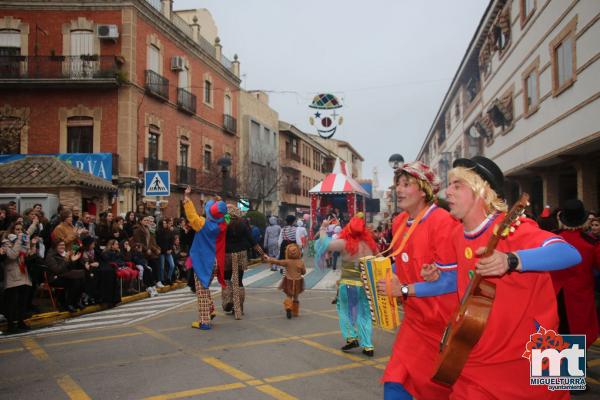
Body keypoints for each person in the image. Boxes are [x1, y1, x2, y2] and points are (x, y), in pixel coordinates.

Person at [414, 156, 581, 399]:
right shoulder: (457, 236)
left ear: (481, 191)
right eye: (449, 185)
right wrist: (434, 276)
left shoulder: (514, 227)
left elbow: (570, 253)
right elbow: (459, 282)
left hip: (533, 354)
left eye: (457, 185)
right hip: (477, 355)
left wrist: (512, 260)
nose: (447, 192)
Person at [376, 161, 459, 400]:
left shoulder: (443, 221)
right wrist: (382, 273)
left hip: (441, 325)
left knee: (435, 390)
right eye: (397, 185)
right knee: (394, 382)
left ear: (423, 189)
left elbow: (451, 281)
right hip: (414, 322)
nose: (398, 190)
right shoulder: (399, 222)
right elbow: (402, 262)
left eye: (406, 184)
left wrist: (402, 288)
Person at [315, 212, 378, 357]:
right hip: (365, 286)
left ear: (348, 229)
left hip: (348, 285)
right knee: (365, 314)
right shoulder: (370, 245)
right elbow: (380, 259)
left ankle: (351, 337)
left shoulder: (344, 243)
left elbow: (326, 244)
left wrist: (323, 228)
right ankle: (368, 345)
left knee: (345, 311)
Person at [551, 199, 599, 350]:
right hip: (578, 302)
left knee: (550, 346)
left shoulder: (550, 239)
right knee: (574, 347)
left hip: (552, 297)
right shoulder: (591, 243)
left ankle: (552, 372)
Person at [182, 186, 228, 330]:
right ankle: (211, 309)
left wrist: (187, 197)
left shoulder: (203, 224)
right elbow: (225, 213)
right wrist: (220, 203)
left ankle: (204, 321)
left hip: (204, 261)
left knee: (201, 291)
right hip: (214, 261)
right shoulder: (221, 225)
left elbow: (192, 216)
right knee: (205, 287)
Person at [1, 222, 35, 334]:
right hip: (12, 275)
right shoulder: (6, 242)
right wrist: (19, 241)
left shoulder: (22, 240)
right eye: (16, 229)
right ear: (12, 230)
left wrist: (31, 246)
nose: (19, 231)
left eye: (21, 229)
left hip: (23, 273)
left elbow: (25, 253)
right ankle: (11, 324)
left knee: (22, 301)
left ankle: (21, 321)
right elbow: (12, 255)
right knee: (12, 302)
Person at [264, 243, 306, 319]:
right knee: (296, 297)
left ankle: (288, 308)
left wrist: (269, 259)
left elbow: (278, 262)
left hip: (288, 281)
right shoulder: (301, 262)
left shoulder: (287, 261)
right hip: (298, 281)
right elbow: (304, 272)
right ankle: (295, 312)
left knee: (289, 296)